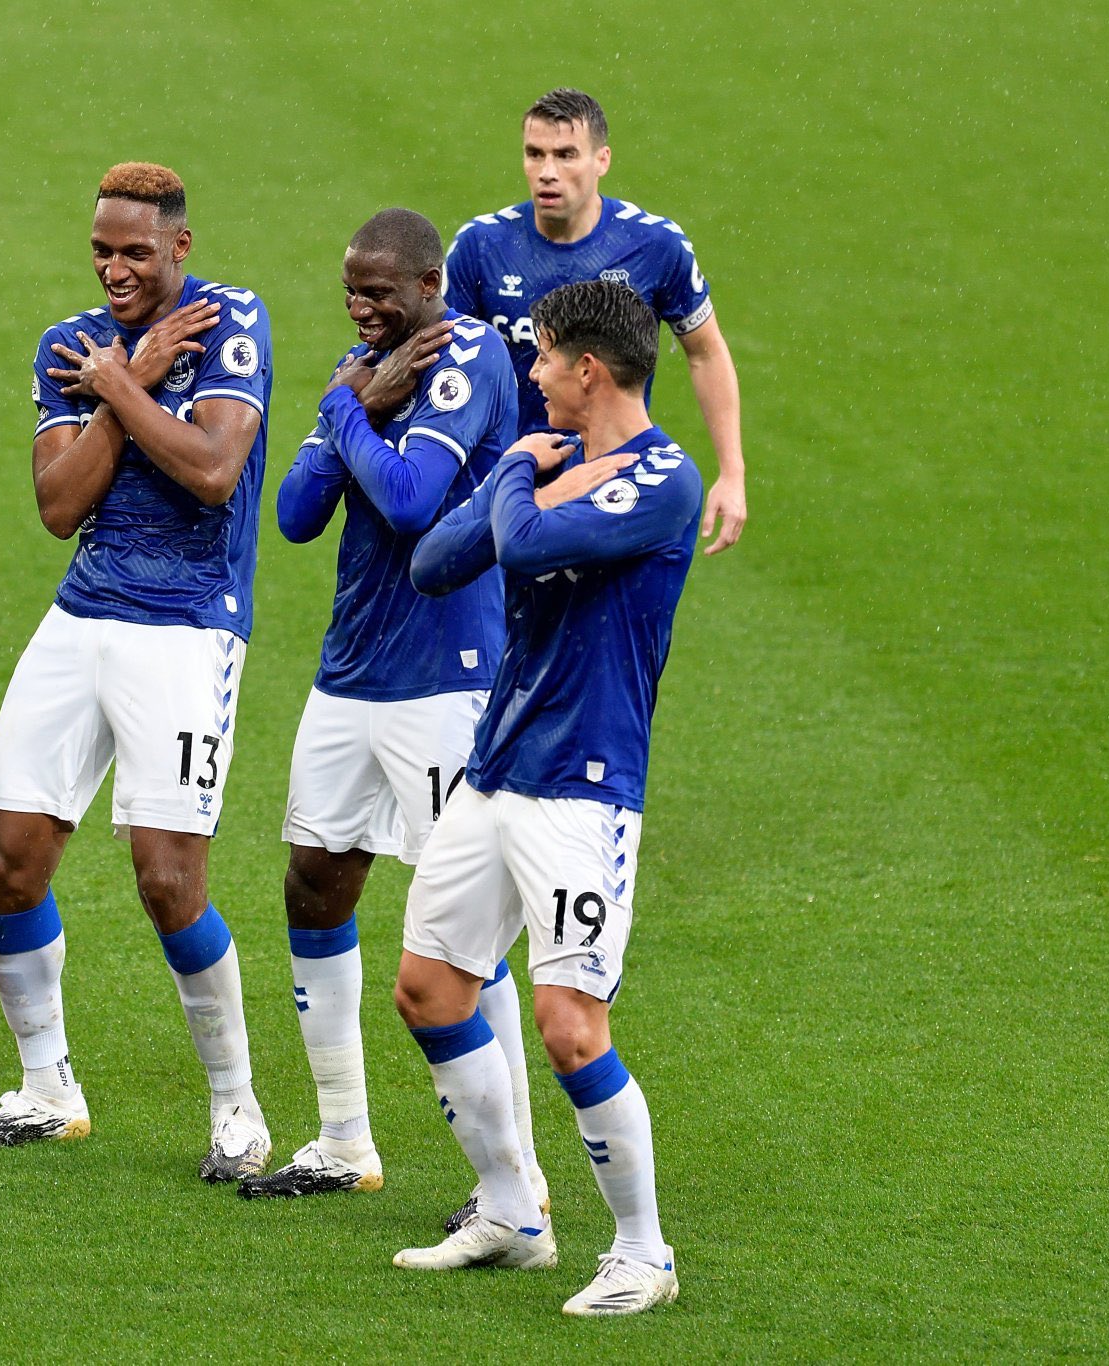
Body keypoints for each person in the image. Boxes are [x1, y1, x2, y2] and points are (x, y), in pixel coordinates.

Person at [0, 163, 276, 1182]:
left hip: (185, 625)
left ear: (179, 246)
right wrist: (125, 370)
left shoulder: (231, 321)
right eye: (101, 250)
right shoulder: (69, 346)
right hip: (84, 612)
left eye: (135, 250)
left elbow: (213, 471)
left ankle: (236, 1110)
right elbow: (56, 504)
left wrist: (118, 382)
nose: (115, 267)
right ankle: (46, 1089)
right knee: (6, 859)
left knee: (167, 878)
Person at [391, 280, 699, 1316]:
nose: (528, 375)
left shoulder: (662, 481)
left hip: (584, 788)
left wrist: (514, 482)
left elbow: (521, 547)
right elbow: (435, 566)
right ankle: (509, 1210)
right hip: (494, 772)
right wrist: (511, 481)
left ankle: (641, 1253)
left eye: (541, 359)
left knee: (569, 1025)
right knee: (429, 988)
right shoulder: (548, 460)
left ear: (588, 370)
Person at [240, 208, 543, 1204]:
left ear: (428, 282)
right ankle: (339, 1140)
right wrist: (353, 402)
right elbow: (291, 514)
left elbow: (413, 501)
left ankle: (517, 1174)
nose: (361, 307)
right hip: (349, 675)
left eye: (378, 291)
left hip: (445, 680)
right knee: (313, 885)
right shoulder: (363, 365)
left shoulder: (467, 363)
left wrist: (343, 412)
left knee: (460, 929)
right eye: (351, 291)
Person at [444, 87, 746, 555]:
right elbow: (447, 367)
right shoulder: (480, 246)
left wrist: (732, 473)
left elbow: (705, 353)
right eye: (534, 154)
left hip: (607, 487)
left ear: (602, 159)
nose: (547, 172)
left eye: (566, 155)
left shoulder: (654, 246)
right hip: (507, 479)